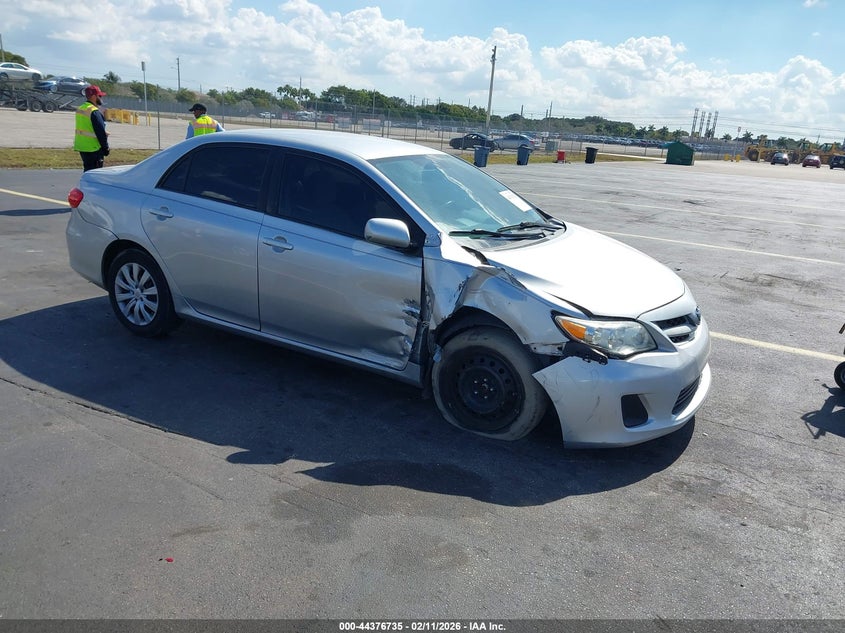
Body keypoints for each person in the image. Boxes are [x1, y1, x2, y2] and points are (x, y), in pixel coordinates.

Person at [74, 85, 109, 171]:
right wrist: (106, 148)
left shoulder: (81, 108)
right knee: (94, 174)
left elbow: (87, 126)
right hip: (93, 148)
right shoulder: (94, 111)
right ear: (94, 96)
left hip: (82, 146)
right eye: (99, 96)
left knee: (87, 171)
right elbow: (100, 132)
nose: (101, 98)